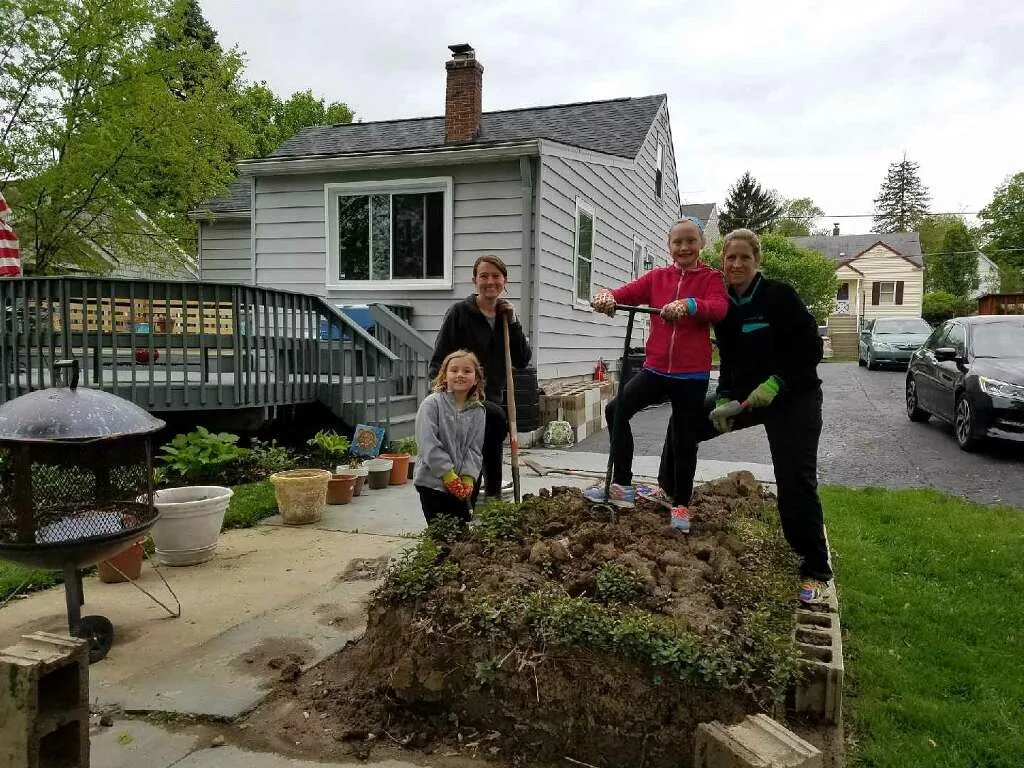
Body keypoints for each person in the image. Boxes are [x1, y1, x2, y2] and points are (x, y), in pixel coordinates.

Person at [657, 228, 833, 604]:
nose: (736, 264)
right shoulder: (725, 307)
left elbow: (810, 347)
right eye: (730, 258)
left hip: (793, 399)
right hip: (746, 399)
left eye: (744, 258)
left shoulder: (778, 296)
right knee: (686, 420)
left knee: (795, 479)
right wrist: (722, 396)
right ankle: (669, 492)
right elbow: (732, 360)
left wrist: (777, 383)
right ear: (722, 262)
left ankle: (816, 567)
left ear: (757, 262)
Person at [586, 217, 729, 509]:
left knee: (683, 439)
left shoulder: (711, 278)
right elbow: (623, 294)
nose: (684, 247)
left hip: (691, 376)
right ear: (669, 246)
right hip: (655, 370)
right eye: (678, 241)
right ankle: (623, 486)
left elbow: (719, 308)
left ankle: (681, 506)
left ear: (702, 243)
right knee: (616, 411)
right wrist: (605, 296)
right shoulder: (656, 278)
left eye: (691, 241)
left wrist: (689, 305)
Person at [429, 255, 532, 504]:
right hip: (461, 399)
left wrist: (515, 322)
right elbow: (438, 362)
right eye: (484, 276)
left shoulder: (505, 317)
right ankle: (467, 505)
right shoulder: (460, 314)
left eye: (495, 276)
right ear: (474, 280)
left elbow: (522, 359)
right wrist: (443, 398)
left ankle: (492, 499)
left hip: (492, 397)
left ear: (504, 280)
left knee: (491, 444)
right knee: (471, 452)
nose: (490, 281)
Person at [413, 349, 487, 526]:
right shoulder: (432, 405)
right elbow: (428, 444)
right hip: (432, 484)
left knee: (460, 537)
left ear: (476, 378)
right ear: (444, 376)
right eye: (454, 370)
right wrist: (447, 475)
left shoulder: (478, 411)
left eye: (467, 371)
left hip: (460, 486)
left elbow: (475, 449)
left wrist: (468, 479)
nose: (460, 375)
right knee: (441, 535)